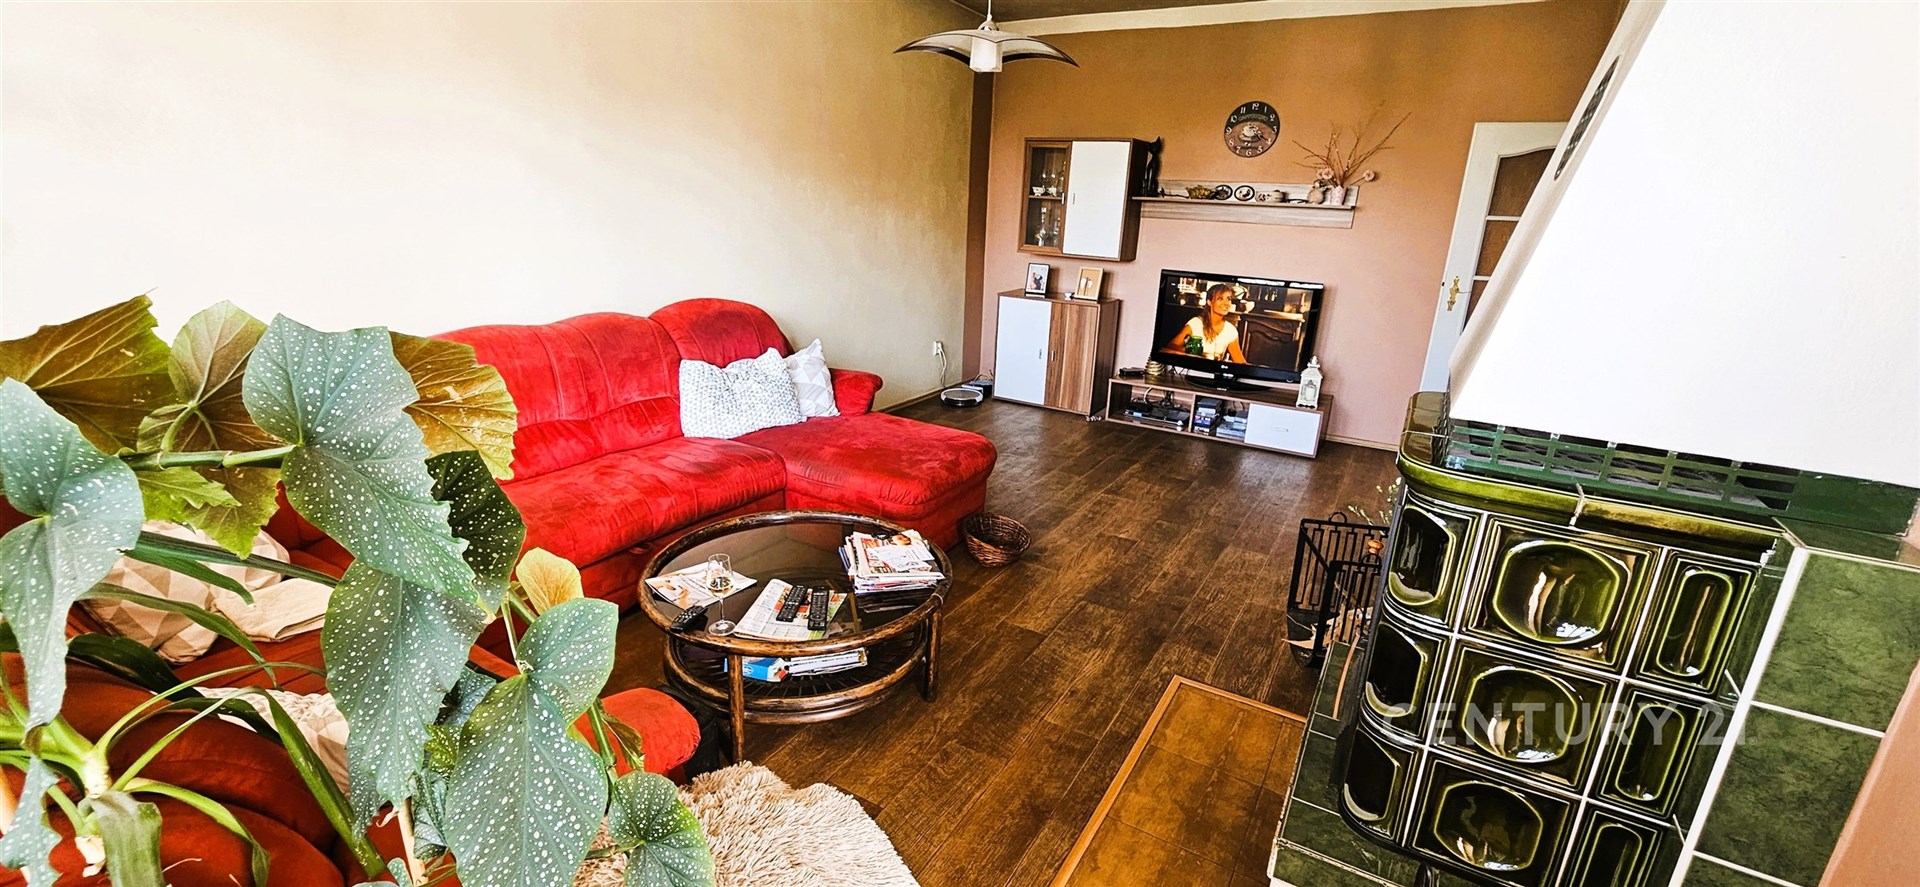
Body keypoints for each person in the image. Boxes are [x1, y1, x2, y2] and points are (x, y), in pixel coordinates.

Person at [1165, 284, 1248, 363]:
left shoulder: (1230, 330)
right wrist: (1193, 352)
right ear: (1209, 302)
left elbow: (1240, 361)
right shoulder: (1196, 323)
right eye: (1220, 299)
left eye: (1228, 299)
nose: (1226, 303)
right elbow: (1171, 346)